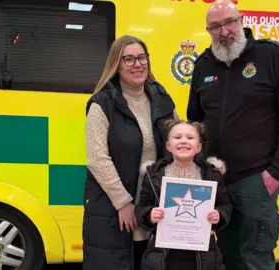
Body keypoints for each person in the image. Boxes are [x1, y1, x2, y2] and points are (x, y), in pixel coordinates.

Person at [186, 0, 279, 269]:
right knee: (225, 256)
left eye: (229, 22)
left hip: (257, 180)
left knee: (256, 258)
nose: (224, 31)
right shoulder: (203, 65)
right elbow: (195, 121)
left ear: (242, 20)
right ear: (208, 31)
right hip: (218, 182)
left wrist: (275, 173)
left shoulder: (270, 57)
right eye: (215, 27)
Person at [83, 35, 179, 270]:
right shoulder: (101, 104)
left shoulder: (162, 98)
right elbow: (97, 159)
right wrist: (124, 203)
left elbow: (178, 143)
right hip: (114, 209)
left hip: (155, 209)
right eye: (129, 59)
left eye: (141, 57)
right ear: (116, 64)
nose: (137, 64)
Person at [134, 119, 232, 270]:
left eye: (190, 138)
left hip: (202, 256)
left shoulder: (212, 175)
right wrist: (149, 215)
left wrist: (219, 215)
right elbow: (142, 206)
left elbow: (225, 204)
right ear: (168, 146)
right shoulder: (154, 175)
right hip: (163, 256)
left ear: (199, 147)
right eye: (177, 137)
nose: (184, 141)